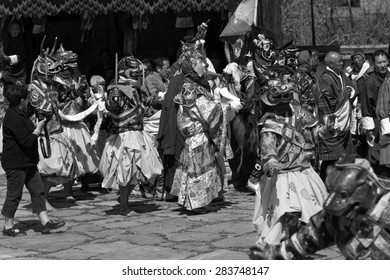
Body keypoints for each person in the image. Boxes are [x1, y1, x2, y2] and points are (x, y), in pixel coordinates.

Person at [249, 156, 390, 260]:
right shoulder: (337, 215)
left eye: (342, 194)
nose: (331, 202)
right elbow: (308, 238)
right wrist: (276, 254)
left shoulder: (385, 209)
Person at [250, 67, 328, 245]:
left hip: (302, 171)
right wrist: (270, 161)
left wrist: (327, 130)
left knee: (308, 208)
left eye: (286, 99)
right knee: (286, 210)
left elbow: (315, 130)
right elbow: (267, 148)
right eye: (279, 100)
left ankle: (300, 240)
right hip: (281, 175)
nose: (284, 104)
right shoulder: (269, 124)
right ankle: (285, 240)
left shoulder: (297, 112)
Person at [99, 55, 163, 216]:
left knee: (135, 171)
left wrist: (161, 97)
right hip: (124, 137)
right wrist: (113, 99)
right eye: (134, 72)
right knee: (125, 170)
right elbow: (112, 107)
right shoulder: (116, 89)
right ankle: (124, 207)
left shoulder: (135, 89)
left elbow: (145, 102)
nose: (137, 75)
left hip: (137, 134)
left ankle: (124, 200)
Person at [169, 41, 227, 214]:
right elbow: (209, 112)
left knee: (201, 170)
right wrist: (221, 106)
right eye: (200, 62)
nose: (204, 65)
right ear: (192, 67)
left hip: (197, 135)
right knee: (198, 171)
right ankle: (196, 203)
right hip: (198, 136)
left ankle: (200, 201)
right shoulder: (193, 90)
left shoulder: (193, 85)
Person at [1, 84, 65, 236]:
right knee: (14, 195)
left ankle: (45, 222)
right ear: (22, 100)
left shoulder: (20, 113)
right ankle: (8, 226)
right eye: (27, 99)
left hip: (28, 162)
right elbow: (27, 140)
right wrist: (38, 128)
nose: (28, 102)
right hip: (16, 164)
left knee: (38, 191)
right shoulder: (12, 116)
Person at [316, 51, 356, 181]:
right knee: (331, 160)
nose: (342, 63)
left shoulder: (341, 75)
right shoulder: (326, 79)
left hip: (345, 124)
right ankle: (324, 187)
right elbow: (326, 104)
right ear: (331, 64)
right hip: (334, 125)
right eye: (339, 61)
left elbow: (351, 87)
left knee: (344, 158)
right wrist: (333, 125)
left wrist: (351, 92)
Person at [361, 50, 390, 175]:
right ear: (374, 64)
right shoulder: (370, 81)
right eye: (379, 63)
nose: (382, 65)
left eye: (384, 62)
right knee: (379, 158)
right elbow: (366, 105)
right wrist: (369, 129)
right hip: (378, 121)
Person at [0, 20, 27, 86]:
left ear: (20, 30)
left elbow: (21, 56)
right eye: (13, 29)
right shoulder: (7, 41)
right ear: (9, 30)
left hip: (18, 70)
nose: (15, 31)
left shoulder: (20, 43)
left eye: (17, 29)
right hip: (8, 68)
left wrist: (8, 58)